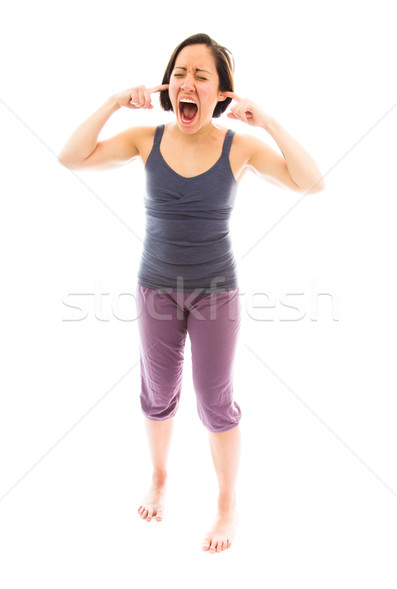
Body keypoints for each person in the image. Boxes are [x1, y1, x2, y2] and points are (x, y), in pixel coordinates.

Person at [58, 32, 325, 554]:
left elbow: (311, 182)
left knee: (213, 400)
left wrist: (265, 121)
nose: (188, 83)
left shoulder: (238, 145)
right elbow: (72, 156)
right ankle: (159, 479)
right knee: (157, 395)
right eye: (181, 73)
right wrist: (115, 101)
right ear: (167, 82)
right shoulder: (146, 138)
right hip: (154, 286)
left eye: (203, 77)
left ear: (222, 93)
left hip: (215, 292)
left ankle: (227, 505)